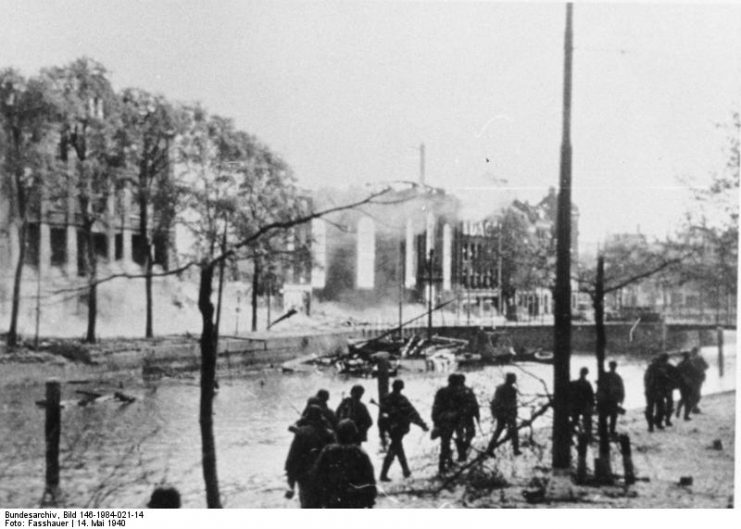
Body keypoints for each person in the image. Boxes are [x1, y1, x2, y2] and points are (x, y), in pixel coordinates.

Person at [312, 419, 377, 509]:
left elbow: (317, 473)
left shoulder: (328, 450)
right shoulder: (359, 452)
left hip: (333, 497)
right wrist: (370, 499)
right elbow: (369, 478)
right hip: (355, 498)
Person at [284, 405, 336, 508]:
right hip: (323, 475)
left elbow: (293, 458)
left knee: (307, 504)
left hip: (305, 476)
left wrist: (291, 483)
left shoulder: (301, 432)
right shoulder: (329, 434)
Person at [379, 379, 428, 481]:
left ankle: (405, 471)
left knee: (397, 447)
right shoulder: (401, 399)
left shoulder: (386, 398)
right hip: (399, 428)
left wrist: (383, 430)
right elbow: (412, 413)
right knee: (394, 449)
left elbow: (382, 416)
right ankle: (385, 474)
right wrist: (422, 424)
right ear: (401, 387)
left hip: (391, 428)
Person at [431, 374, 462, 473]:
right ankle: (444, 465)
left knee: (445, 443)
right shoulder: (456, 393)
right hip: (450, 421)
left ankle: (446, 463)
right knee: (448, 443)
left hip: (442, 420)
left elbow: (435, 408)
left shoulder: (441, 391)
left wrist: (435, 422)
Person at [486, 373, 520, 456]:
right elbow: (497, 402)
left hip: (506, 413)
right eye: (513, 378)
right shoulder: (504, 389)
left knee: (502, 431)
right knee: (509, 431)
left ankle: (490, 449)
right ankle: (490, 449)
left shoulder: (509, 389)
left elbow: (513, 403)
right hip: (504, 414)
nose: (514, 380)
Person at [643, 353, 675, 432]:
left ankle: (654, 424)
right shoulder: (656, 369)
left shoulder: (652, 368)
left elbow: (646, 381)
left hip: (654, 392)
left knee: (655, 408)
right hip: (655, 392)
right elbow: (664, 380)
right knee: (657, 408)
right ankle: (654, 424)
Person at [454, 374, 480, 462]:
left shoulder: (464, 391)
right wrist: (477, 416)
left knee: (462, 435)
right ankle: (462, 453)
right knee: (467, 434)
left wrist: (477, 415)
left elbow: (475, 404)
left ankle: (462, 453)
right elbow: (475, 404)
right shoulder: (467, 391)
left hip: (463, 417)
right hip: (463, 417)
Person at [598, 360, 625, 435]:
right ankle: (606, 431)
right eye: (612, 366)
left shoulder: (616, 377)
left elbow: (621, 388)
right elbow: (601, 387)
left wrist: (621, 398)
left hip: (612, 399)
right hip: (607, 399)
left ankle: (610, 431)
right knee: (607, 415)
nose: (613, 368)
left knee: (613, 416)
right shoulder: (607, 376)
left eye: (613, 366)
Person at [569, 367, 595, 443]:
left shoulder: (575, 383)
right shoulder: (586, 384)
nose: (583, 375)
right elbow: (591, 396)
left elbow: (591, 396)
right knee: (583, 421)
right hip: (580, 406)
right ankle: (588, 436)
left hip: (578, 406)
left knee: (576, 421)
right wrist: (592, 405)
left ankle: (571, 436)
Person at [689, 347, 709, 413]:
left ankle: (694, 406)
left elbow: (706, 366)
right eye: (693, 352)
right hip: (694, 378)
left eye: (694, 352)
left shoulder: (698, 358)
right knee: (696, 393)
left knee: (696, 393)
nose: (694, 353)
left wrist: (701, 369)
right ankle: (694, 407)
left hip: (697, 378)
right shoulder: (692, 359)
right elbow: (706, 366)